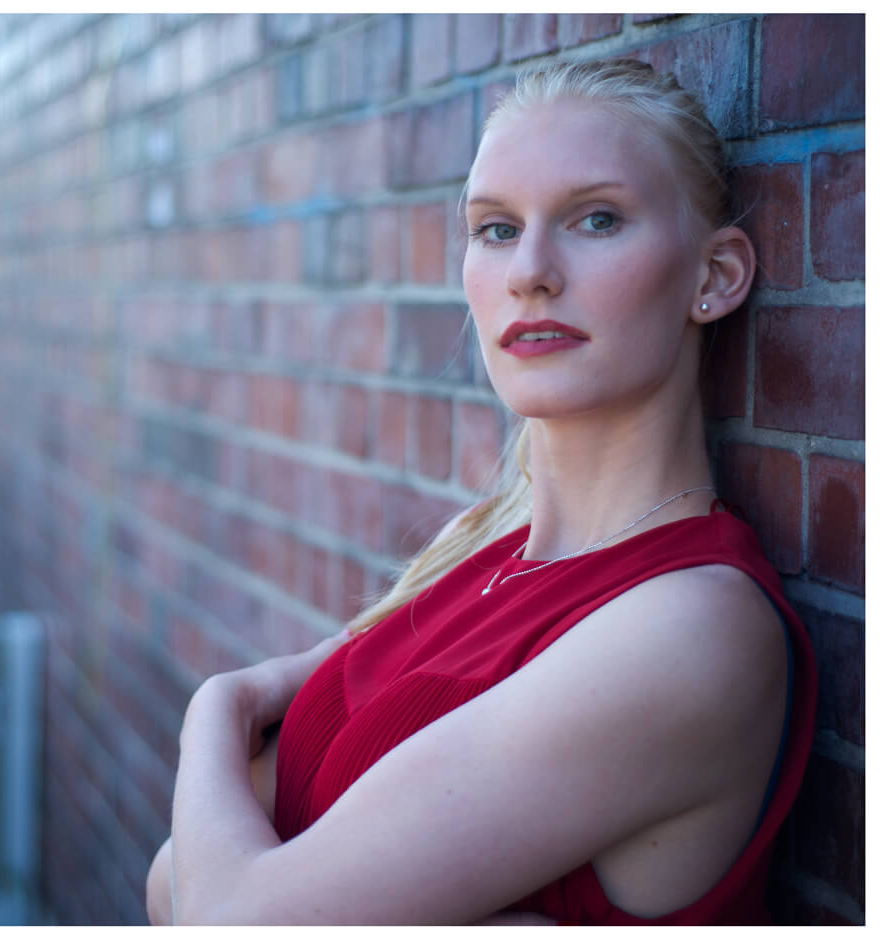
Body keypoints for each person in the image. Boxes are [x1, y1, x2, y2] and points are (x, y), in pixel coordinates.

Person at [145, 58, 815, 925]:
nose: (529, 272)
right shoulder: (475, 545)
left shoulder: (693, 624)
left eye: (597, 219)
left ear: (714, 277)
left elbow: (234, 915)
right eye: (495, 229)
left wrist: (219, 703)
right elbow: (172, 883)